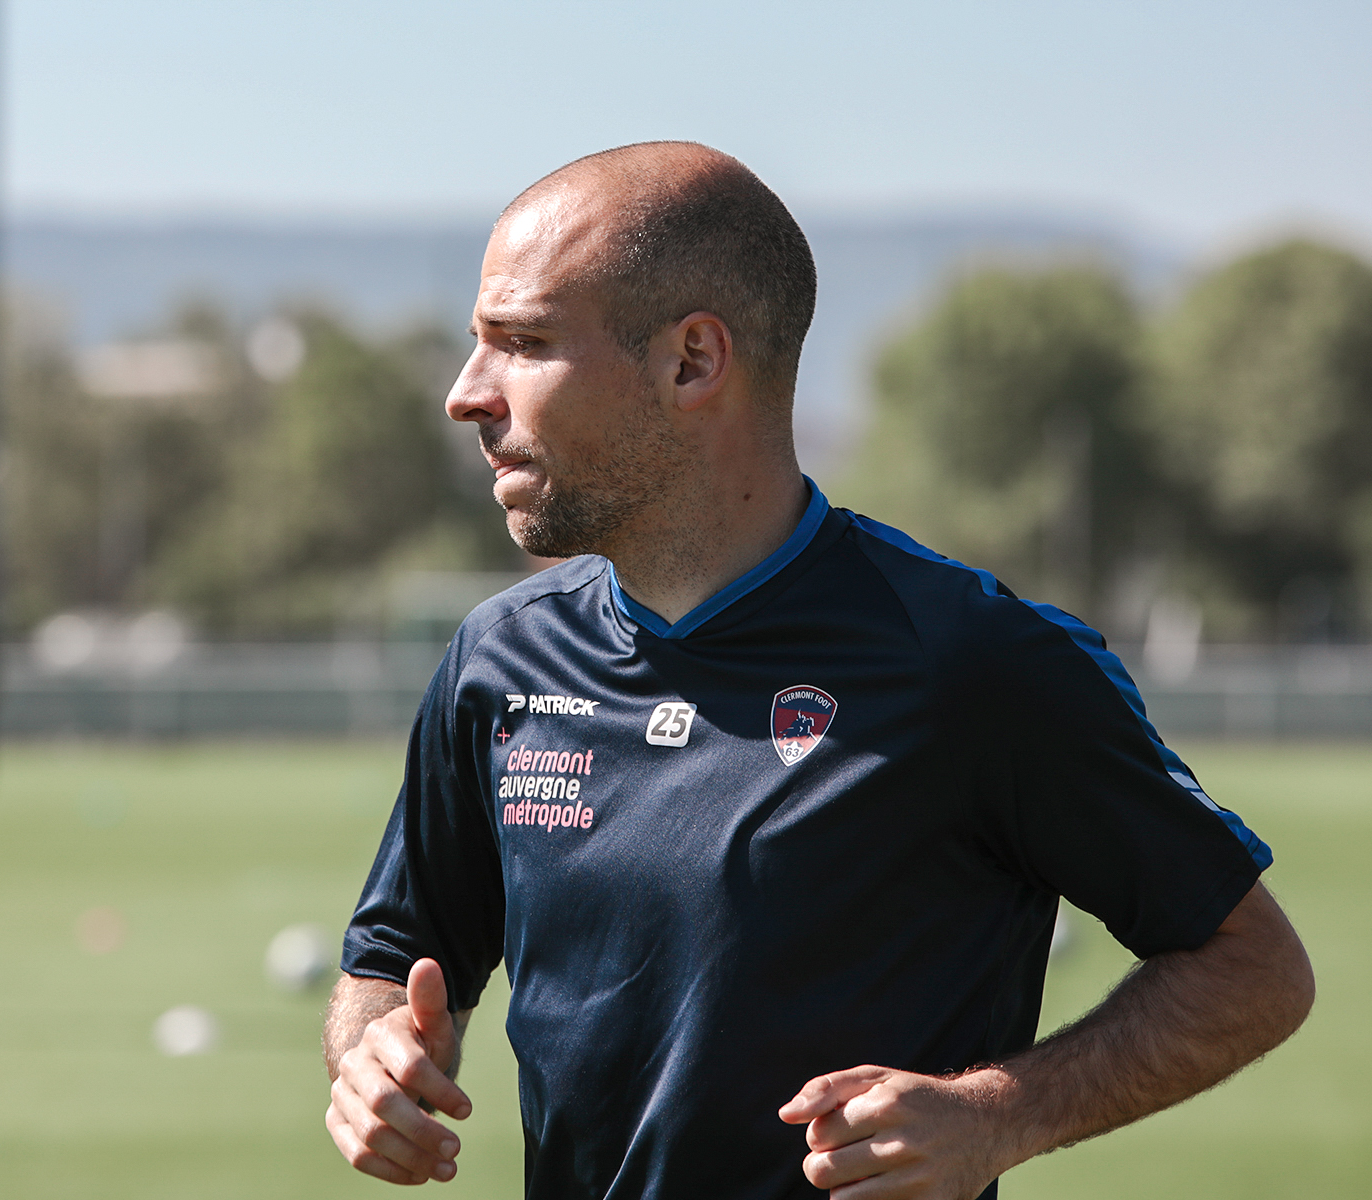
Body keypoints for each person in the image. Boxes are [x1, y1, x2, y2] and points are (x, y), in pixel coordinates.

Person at [322, 143, 1314, 1199]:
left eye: (521, 343)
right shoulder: (498, 659)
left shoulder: (971, 661)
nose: (465, 396)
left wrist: (1000, 1114)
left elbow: (1253, 969)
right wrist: (370, 1056)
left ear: (693, 361)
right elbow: (395, 956)